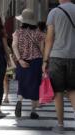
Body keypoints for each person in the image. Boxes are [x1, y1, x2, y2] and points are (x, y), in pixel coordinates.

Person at [42, 0, 75, 133]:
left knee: (58, 92)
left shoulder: (54, 12)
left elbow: (49, 38)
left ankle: (60, 126)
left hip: (57, 57)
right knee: (73, 90)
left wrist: (45, 60)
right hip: (74, 56)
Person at [12, 8, 45, 119]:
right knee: (35, 85)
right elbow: (42, 49)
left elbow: (14, 46)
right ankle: (33, 111)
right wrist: (45, 62)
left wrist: (20, 59)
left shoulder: (17, 32)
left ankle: (19, 101)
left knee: (22, 83)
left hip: (22, 61)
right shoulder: (39, 33)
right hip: (36, 62)